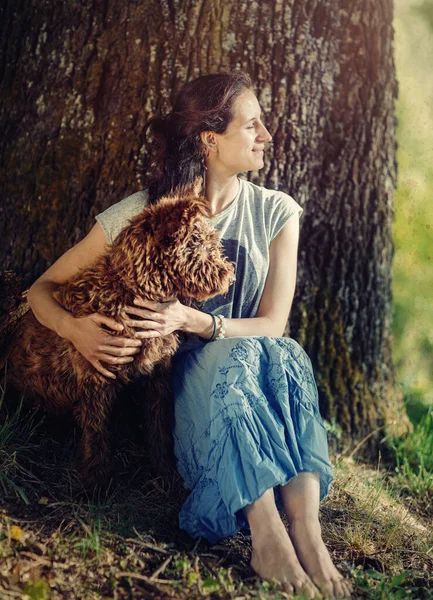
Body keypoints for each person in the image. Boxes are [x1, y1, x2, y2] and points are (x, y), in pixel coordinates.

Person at [27, 72, 352, 599]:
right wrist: (73, 329)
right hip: (184, 388)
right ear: (210, 138)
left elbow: (274, 324)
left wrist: (195, 320)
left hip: (253, 364)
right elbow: (41, 288)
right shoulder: (146, 214)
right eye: (253, 125)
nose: (267, 135)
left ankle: (310, 535)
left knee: (285, 352)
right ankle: (266, 530)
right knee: (230, 362)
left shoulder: (276, 212)